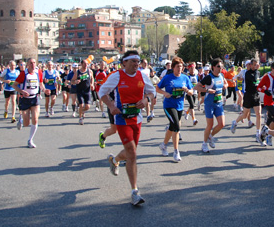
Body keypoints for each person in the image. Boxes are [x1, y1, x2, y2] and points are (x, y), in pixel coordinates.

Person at [99, 51, 156, 206]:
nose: (136, 64)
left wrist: (146, 100)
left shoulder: (142, 76)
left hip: (137, 118)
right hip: (122, 119)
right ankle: (135, 192)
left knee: (131, 152)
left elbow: (152, 92)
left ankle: (115, 159)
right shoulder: (116, 76)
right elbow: (102, 92)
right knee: (132, 153)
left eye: (137, 61)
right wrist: (111, 106)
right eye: (132, 61)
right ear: (124, 63)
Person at [156, 56, 193, 162]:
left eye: (181, 67)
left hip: (179, 106)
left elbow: (191, 91)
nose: (180, 69)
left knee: (172, 126)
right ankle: (176, 151)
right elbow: (157, 88)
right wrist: (165, 93)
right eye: (178, 67)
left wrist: (187, 91)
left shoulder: (185, 78)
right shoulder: (168, 78)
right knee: (176, 126)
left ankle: (163, 145)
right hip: (168, 105)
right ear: (173, 67)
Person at [12, 58, 49, 148]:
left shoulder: (38, 72)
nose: (33, 64)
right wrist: (22, 92)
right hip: (25, 99)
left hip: (34, 98)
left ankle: (30, 140)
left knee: (35, 119)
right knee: (26, 123)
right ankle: (21, 119)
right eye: (31, 63)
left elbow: (41, 83)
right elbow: (14, 85)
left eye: (34, 63)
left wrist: (44, 90)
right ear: (28, 64)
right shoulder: (23, 74)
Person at [195, 58, 226, 153]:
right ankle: (204, 144)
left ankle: (210, 136)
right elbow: (196, 86)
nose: (220, 68)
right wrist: (208, 90)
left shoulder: (221, 75)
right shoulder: (209, 77)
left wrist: (226, 86)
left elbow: (225, 83)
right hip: (209, 104)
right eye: (218, 66)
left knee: (222, 124)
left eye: (221, 67)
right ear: (213, 67)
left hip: (219, 103)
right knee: (210, 125)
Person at [231, 59, 263, 145]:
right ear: (251, 65)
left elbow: (257, 81)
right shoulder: (246, 73)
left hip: (256, 95)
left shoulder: (257, 72)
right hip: (248, 95)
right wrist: (239, 79)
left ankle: (258, 133)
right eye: (254, 64)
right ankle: (235, 122)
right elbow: (237, 77)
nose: (256, 66)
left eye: (257, 64)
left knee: (258, 114)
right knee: (244, 115)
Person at [72, 59, 95, 125]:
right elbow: (72, 81)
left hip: (87, 91)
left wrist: (92, 84)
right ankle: (80, 118)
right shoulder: (78, 72)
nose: (86, 65)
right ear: (81, 64)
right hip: (80, 91)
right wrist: (75, 82)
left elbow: (92, 78)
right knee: (81, 104)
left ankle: (80, 111)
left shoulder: (90, 71)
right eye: (84, 64)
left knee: (87, 107)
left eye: (87, 64)